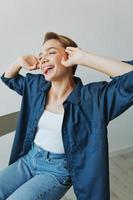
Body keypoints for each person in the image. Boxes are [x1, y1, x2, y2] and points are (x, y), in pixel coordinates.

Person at [0, 32, 133, 200]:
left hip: (58, 170)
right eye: (41, 55)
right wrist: (20, 61)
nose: (43, 59)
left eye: (51, 52)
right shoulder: (36, 86)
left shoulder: (93, 99)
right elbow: (8, 78)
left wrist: (85, 58)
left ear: (70, 56)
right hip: (29, 159)